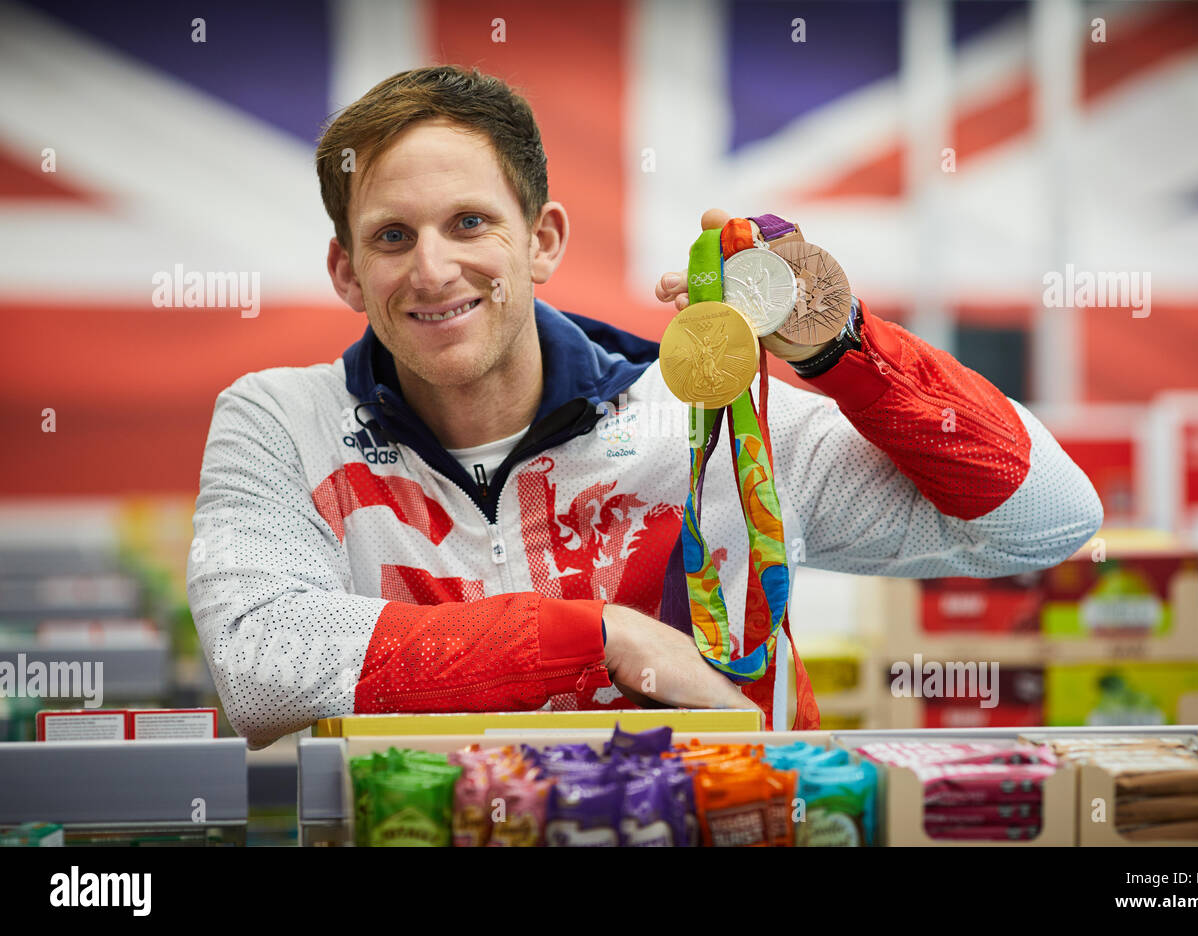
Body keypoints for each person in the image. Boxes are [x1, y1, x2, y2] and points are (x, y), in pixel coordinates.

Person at [186, 65, 1102, 748]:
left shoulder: (706, 421)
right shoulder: (282, 422)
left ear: (542, 241)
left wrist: (847, 351)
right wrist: (605, 637)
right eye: (392, 236)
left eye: (469, 223)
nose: (432, 269)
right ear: (347, 271)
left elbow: (1048, 521)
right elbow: (261, 661)